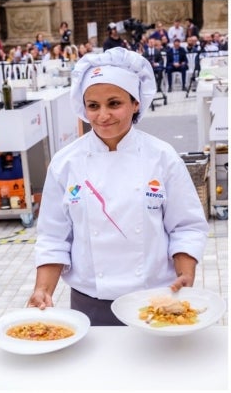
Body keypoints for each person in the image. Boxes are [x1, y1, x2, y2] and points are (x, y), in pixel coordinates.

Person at [28, 47, 208, 326]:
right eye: (93, 106)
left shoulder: (162, 157)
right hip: (89, 302)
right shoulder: (66, 163)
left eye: (114, 103)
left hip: (155, 298)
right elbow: (54, 238)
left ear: (135, 103)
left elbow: (185, 226)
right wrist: (42, 290)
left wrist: (186, 272)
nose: (102, 116)